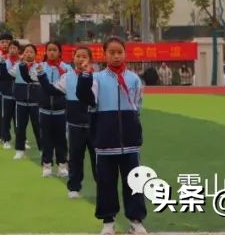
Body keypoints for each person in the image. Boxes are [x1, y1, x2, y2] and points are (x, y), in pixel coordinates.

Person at [77, 37, 146, 235]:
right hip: (105, 141)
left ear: (125, 53)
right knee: (106, 183)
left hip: (130, 142)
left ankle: (136, 220)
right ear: (104, 54)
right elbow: (87, 99)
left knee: (133, 182)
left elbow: (138, 104)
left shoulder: (133, 79)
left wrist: (133, 126)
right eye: (111, 52)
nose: (116, 56)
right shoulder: (96, 78)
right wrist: (84, 76)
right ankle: (108, 222)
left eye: (119, 52)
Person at [57, 45, 96, 199]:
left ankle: (102, 185)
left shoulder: (96, 77)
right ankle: (74, 187)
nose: (80, 59)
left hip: (94, 124)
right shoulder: (67, 77)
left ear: (90, 60)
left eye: (84, 56)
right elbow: (54, 90)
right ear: (73, 58)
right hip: (74, 124)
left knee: (97, 158)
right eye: (78, 56)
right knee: (75, 156)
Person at [39, 41, 70, 178]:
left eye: (54, 50)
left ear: (60, 52)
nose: (51, 52)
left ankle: (62, 165)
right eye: (49, 50)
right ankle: (46, 165)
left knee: (61, 140)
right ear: (45, 52)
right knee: (46, 139)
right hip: (44, 110)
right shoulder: (40, 67)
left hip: (61, 111)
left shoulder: (66, 68)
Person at [11, 44, 42, 161]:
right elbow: (9, 74)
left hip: (35, 102)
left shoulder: (39, 66)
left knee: (38, 127)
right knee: (20, 128)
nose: (28, 54)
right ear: (23, 54)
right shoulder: (17, 66)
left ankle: (42, 149)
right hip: (21, 102)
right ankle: (19, 150)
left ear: (35, 54)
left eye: (31, 52)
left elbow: (38, 79)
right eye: (26, 52)